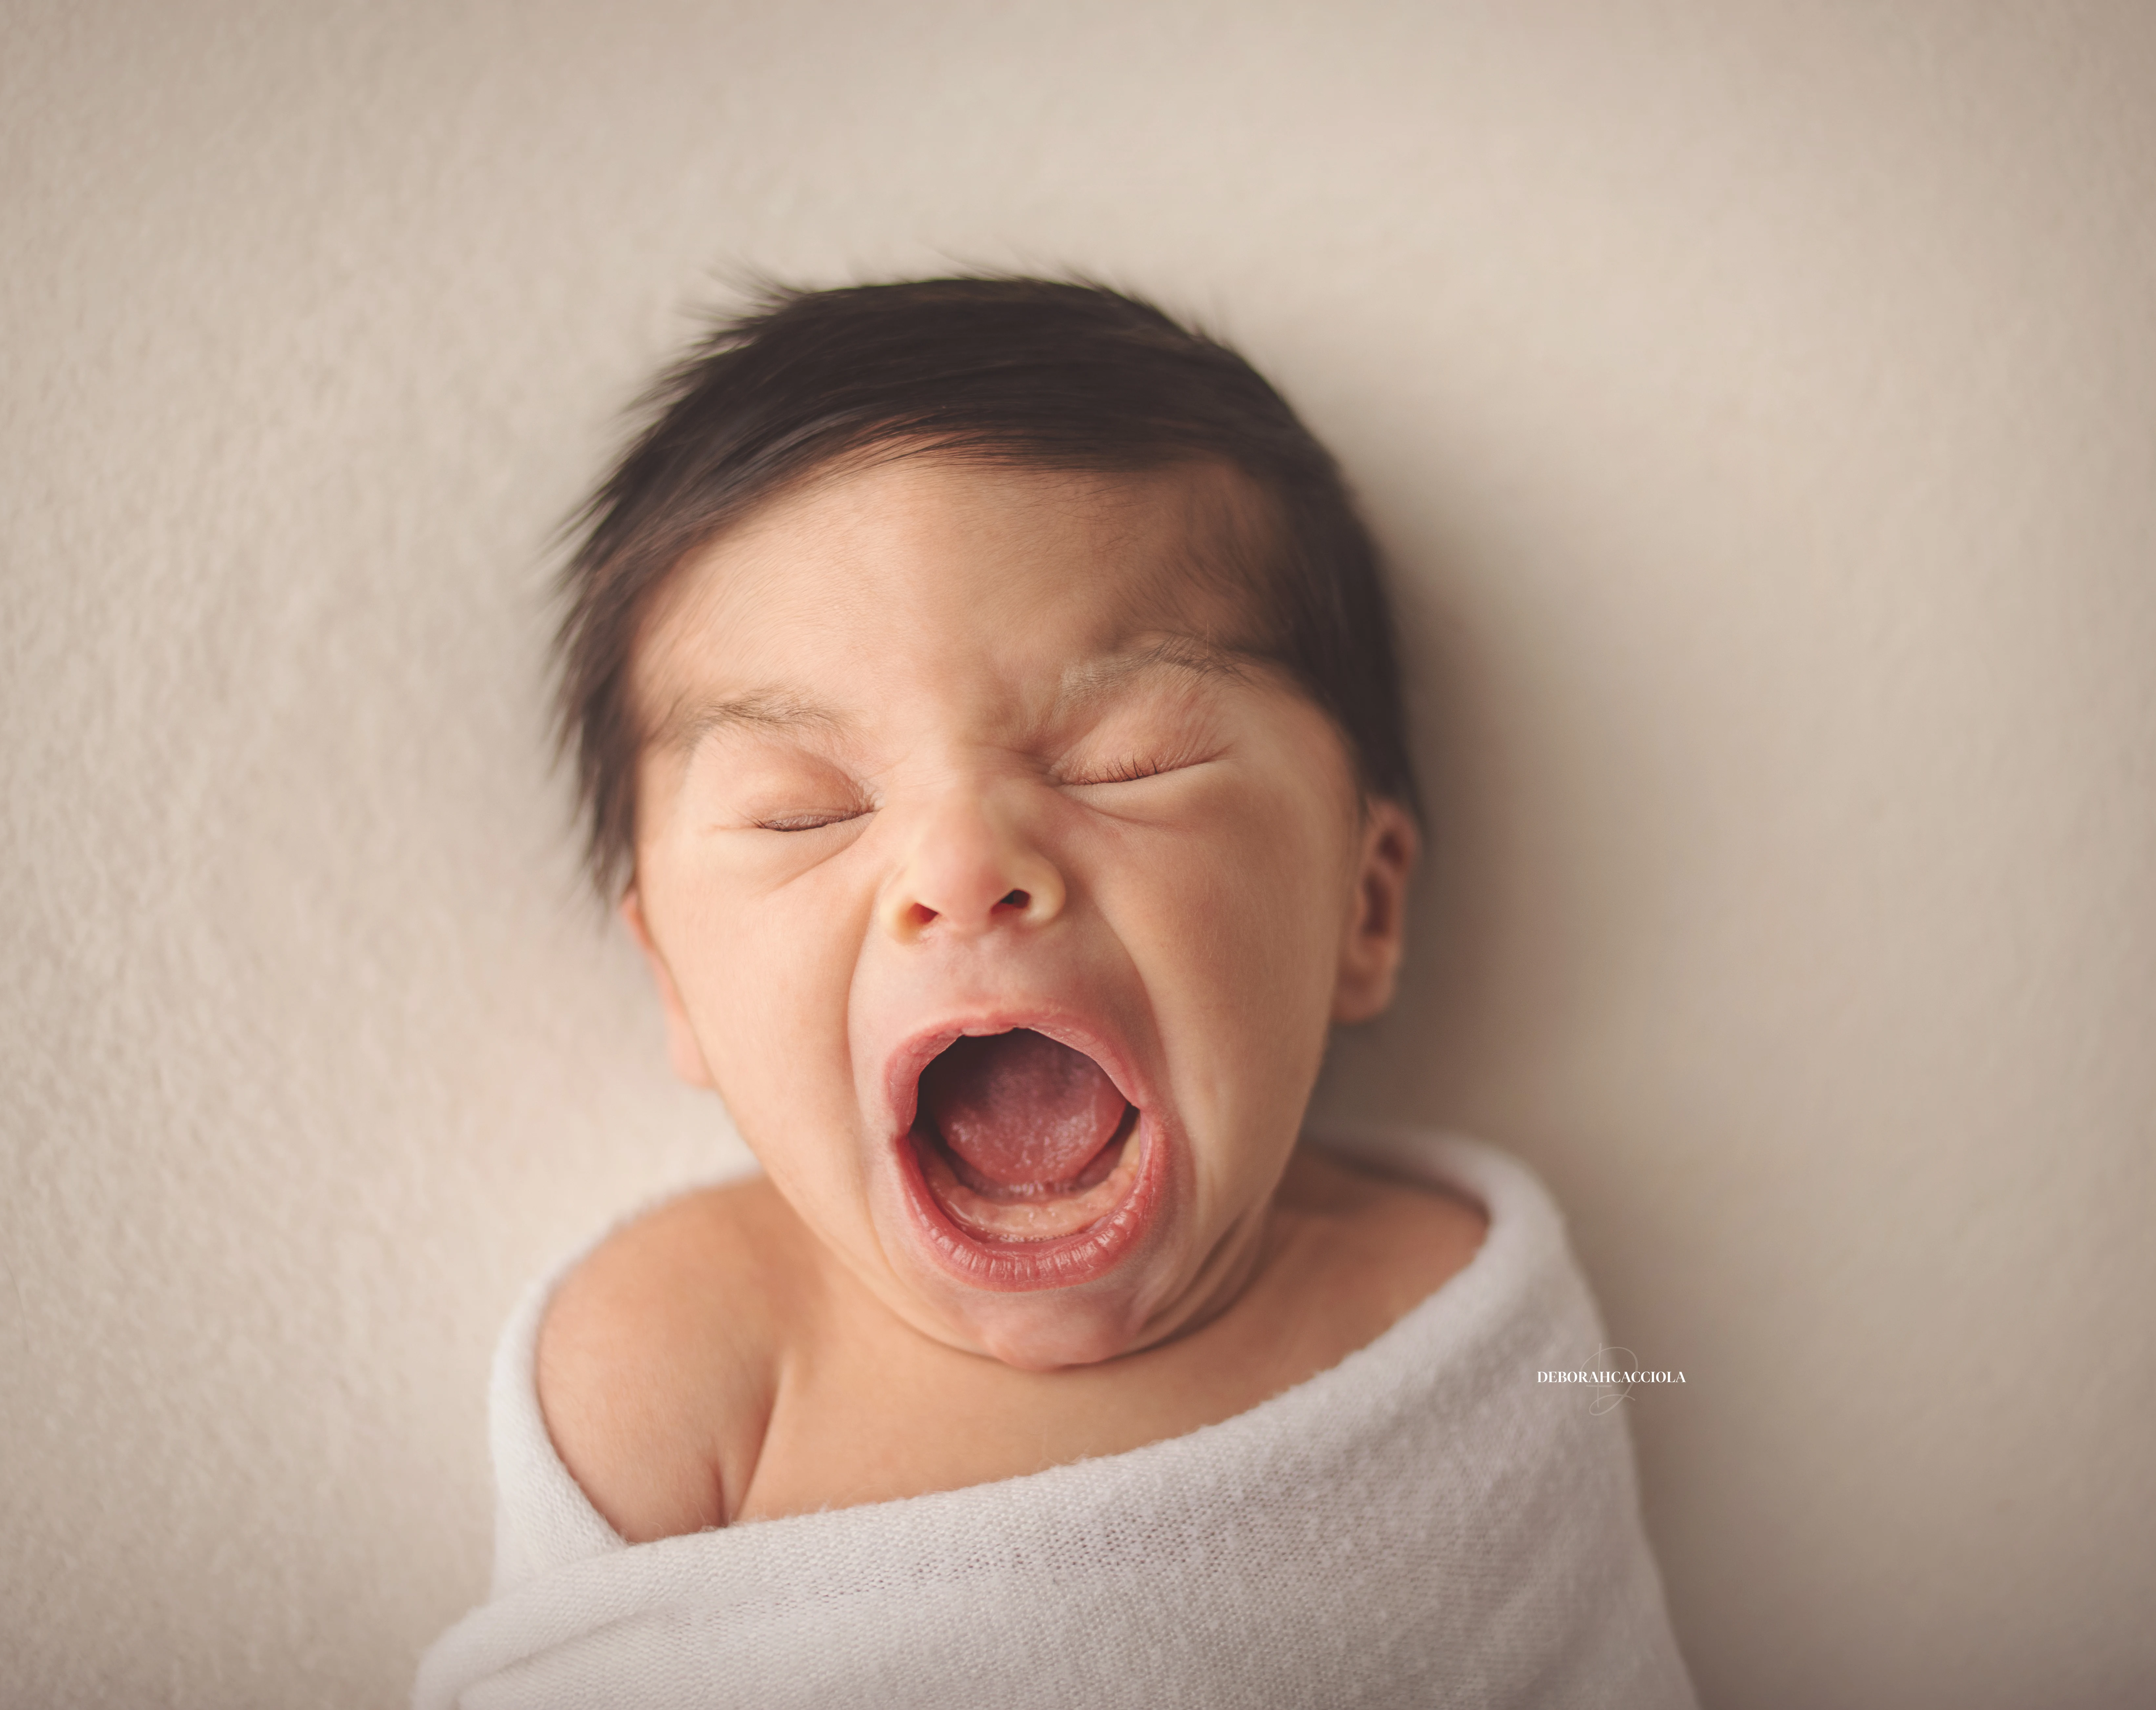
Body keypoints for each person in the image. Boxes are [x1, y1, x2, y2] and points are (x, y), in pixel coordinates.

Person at [415, 276, 1694, 1709]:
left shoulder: (1452, 1315)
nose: (962, 868)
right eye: (804, 809)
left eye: (1125, 758)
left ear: (1362, 904)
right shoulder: (683, 1361)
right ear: (676, 984)